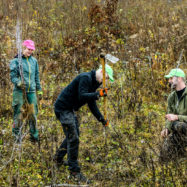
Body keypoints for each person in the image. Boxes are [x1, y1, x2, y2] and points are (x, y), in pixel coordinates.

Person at [54, 64, 114, 183]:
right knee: (73, 138)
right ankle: (74, 171)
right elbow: (82, 96)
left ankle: (57, 158)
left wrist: (101, 119)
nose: (105, 81)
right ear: (101, 71)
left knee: (73, 135)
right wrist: (98, 94)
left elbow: (91, 103)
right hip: (63, 108)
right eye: (106, 77)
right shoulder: (85, 78)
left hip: (70, 110)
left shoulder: (94, 83)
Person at [10, 40, 42, 142]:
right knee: (19, 114)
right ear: (23, 48)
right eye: (28, 49)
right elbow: (13, 77)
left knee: (32, 114)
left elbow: (36, 76)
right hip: (19, 92)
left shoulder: (34, 61)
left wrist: (39, 90)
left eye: (32, 50)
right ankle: (16, 137)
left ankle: (34, 137)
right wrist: (19, 83)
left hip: (31, 91)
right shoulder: (15, 61)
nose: (30, 51)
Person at [160, 68, 187, 162]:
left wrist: (177, 117)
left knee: (178, 125)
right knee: (164, 154)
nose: (169, 81)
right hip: (178, 130)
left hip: (182, 127)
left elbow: (174, 118)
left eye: (171, 78)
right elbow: (169, 116)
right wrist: (166, 128)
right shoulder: (171, 97)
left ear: (179, 78)